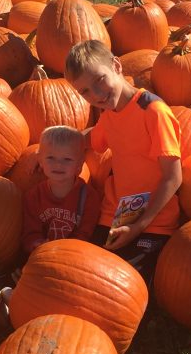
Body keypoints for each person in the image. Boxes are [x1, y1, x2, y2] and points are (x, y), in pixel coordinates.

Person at [65, 39, 182, 279]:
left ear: (117, 66)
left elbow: (173, 176)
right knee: (82, 271)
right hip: (115, 216)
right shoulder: (110, 115)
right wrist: (52, 145)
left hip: (153, 223)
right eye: (84, 91)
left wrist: (139, 226)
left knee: (121, 283)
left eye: (100, 80)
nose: (96, 94)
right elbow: (90, 139)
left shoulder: (153, 112)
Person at [0, 125, 102, 326]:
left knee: (61, 289)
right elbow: (30, 231)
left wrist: (63, 253)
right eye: (51, 158)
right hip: (39, 257)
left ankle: (13, 303)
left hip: (73, 261)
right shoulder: (34, 196)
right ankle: (5, 299)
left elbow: (86, 233)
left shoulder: (89, 198)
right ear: (40, 161)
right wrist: (37, 246)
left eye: (67, 159)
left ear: (79, 165)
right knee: (23, 274)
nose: (58, 164)